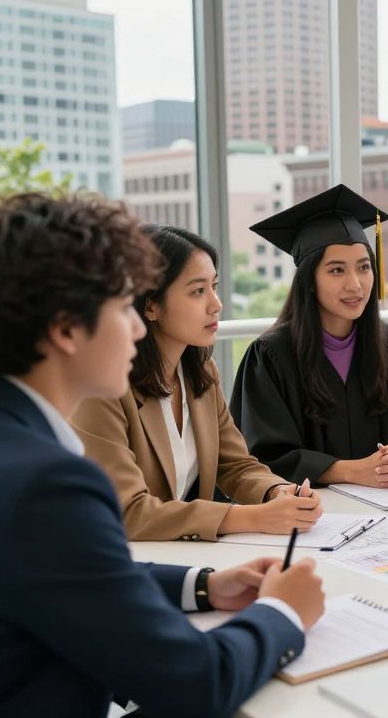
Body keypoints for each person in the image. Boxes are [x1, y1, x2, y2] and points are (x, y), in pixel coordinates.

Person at [0, 192, 325, 717]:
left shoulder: (13, 445)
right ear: (66, 329)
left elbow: (71, 569)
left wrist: (205, 585)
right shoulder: (45, 485)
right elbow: (195, 683)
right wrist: (283, 613)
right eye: (123, 307)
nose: (136, 327)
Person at [70, 226, 322, 542]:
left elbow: (235, 465)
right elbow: (127, 511)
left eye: (213, 286)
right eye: (198, 291)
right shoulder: (101, 390)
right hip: (110, 556)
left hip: (177, 553)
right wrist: (252, 517)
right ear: (150, 306)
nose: (216, 304)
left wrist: (278, 491)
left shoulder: (200, 373)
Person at [231, 184, 388, 487]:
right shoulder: (270, 356)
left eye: (364, 267)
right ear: (309, 280)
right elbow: (262, 456)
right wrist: (350, 471)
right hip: (310, 506)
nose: (355, 285)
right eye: (337, 270)